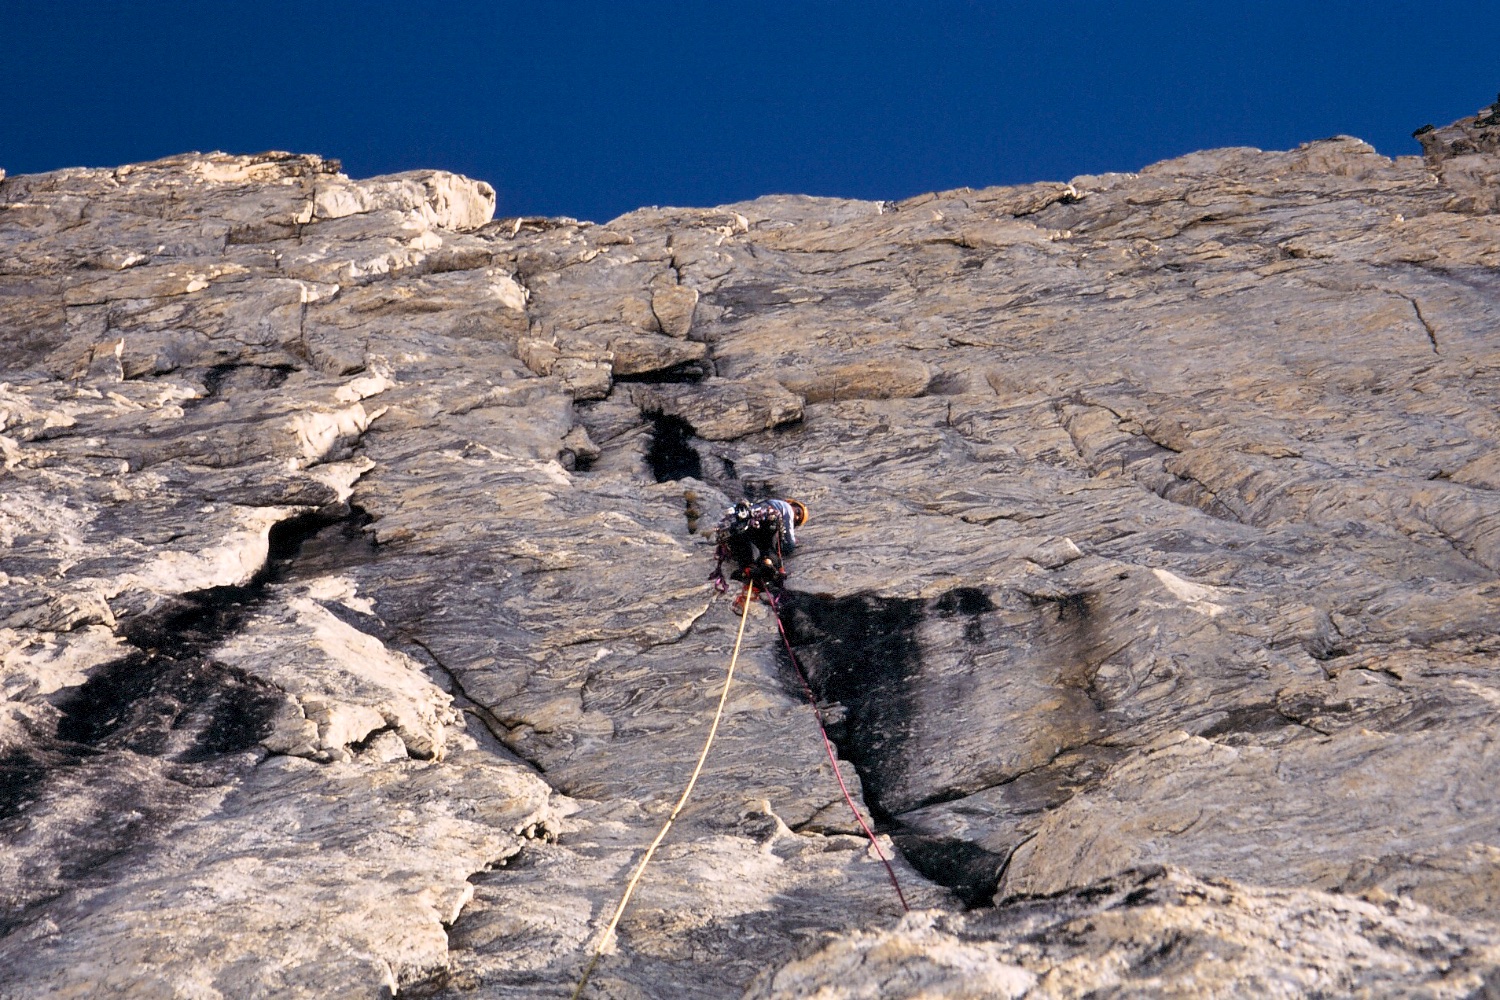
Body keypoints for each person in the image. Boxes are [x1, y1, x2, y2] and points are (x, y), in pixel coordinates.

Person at [711, 497, 809, 611]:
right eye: (798, 512)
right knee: (771, 548)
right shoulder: (784, 507)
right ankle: (766, 565)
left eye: (797, 521)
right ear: (791, 504)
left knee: (753, 550)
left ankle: (749, 568)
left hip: (737, 533)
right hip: (759, 527)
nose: (796, 517)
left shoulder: (759, 506)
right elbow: (789, 545)